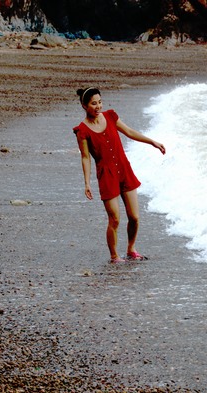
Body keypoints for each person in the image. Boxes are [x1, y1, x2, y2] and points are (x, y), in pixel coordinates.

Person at [73, 88, 165, 263]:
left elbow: (129, 132)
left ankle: (131, 249)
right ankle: (114, 256)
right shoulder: (82, 130)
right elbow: (85, 157)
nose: (98, 106)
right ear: (84, 105)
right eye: (94, 103)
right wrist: (87, 183)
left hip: (124, 169)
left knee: (134, 217)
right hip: (106, 175)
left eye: (100, 102)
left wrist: (152, 141)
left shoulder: (111, 116)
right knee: (114, 219)